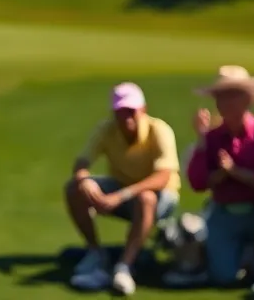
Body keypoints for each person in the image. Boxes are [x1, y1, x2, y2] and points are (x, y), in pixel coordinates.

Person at [65, 82, 181, 294]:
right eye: (121, 112)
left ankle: (124, 266)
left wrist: (121, 195)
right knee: (74, 188)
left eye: (131, 111)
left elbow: (163, 177)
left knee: (146, 198)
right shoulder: (106, 129)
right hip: (121, 189)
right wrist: (84, 180)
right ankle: (95, 252)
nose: (126, 118)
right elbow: (81, 163)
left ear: (143, 110)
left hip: (161, 197)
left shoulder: (160, 130)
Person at [187, 65, 254, 296]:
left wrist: (237, 173)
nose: (225, 102)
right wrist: (201, 141)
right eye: (221, 96)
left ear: (247, 99)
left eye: (232, 95)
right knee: (223, 276)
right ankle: (249, 254)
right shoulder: (212, 138)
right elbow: (197, 182)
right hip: (226, 214)